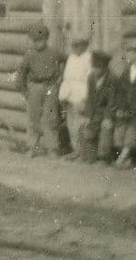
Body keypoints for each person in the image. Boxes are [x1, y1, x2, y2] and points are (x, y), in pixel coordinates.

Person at [15, 23, 63, 157]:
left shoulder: (54, 53)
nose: (37, 44)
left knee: (51, 117)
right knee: (33, 118)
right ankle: (31, 147)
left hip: (50, 87)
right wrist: (23, 90)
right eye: (34, 41)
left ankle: (52, 148)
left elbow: (68, 61)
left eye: (40, 40)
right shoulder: (29, 55)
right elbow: (21, 73)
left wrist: (60, 78)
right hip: (34, 87)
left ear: (46, 39)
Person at [57, 32, 93, 160]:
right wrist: (63, 95)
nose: (76, 48)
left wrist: (85, 97)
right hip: (70, 93)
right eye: (74, 46)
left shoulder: (88, 58)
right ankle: (75, 150)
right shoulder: (71, 58)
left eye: (79, 45)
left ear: (84, 46)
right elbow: (67, 77)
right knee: (71, 124)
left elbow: (90, 80)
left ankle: (83, 152)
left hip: (81, 93)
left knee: (80, 124)